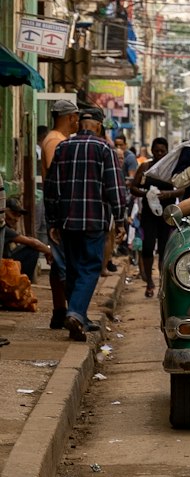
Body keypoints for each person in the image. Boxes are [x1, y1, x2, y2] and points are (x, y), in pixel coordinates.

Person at [44, 106, 129, 341]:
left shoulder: (63, 147)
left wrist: (52, 220)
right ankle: (76, 313)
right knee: (90, 268)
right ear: (99, 126)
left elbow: (52, 187)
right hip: (93, 220)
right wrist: (120, 220)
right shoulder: (104, 149)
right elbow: (115, 189)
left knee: (72, 269)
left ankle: (78, 315)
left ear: (80, 123)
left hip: (67, 220)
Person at [40, 97, 79, 330]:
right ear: (70, 117)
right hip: (60, 208)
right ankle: (72, 312)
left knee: (59, 263)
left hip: (58, 207)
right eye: (75, 118)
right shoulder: (55, 142)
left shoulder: (57, 140)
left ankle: (59, 311)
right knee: (66, 262)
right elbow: (58, 179)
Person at [130, 136, 170, 297]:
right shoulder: (145, 167)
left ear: (167, 152)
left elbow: (181, 188)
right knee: (147, 248)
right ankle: (149, 282)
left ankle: (162, 282)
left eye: (162, 151)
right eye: (157, 151)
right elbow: (133, 187)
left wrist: (168, 194)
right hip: (149, 214)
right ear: (152, 151)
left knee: (164, 249)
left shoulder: (171, 168)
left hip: (166, 215)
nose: (159, 154)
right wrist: (146, 194)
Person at [2, 196, 52, 283]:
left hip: (5, 264)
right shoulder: (3, 229)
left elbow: (29, 240)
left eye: (18, 216)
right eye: (13, 214)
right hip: (3, 267)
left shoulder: (7, 228)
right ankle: (23, 283)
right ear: (5, 212)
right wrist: (51, 252)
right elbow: (33, 243)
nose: (16, 219)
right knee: (32, 250)